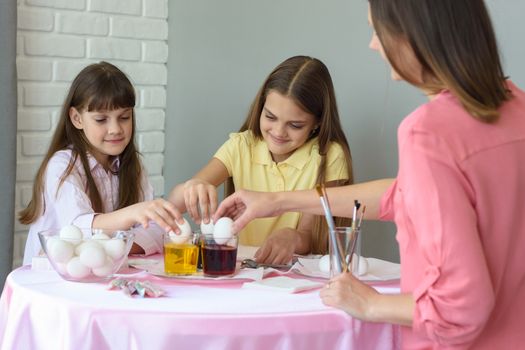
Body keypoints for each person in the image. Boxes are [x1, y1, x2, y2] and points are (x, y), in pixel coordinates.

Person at [213, 1, 525, 348]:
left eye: (378, 31)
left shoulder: (428, 134)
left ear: (414, 36)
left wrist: (370, 303)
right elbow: (404, 195)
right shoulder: (518, 109)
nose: (373, 44)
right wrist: (276, 201)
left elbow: (459, 306)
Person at [169, 55, 353, 265]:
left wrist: (292, 237)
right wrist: (193, 187)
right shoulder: (242, 145)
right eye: (270, 117)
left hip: (295, 275)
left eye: (295, 125)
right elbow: (176, 201)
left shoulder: (328, 157)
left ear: (316, 123)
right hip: (243, 270)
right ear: (261, 106)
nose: (278, 132)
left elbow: (308, 234)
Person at [20, 61, 183, 266]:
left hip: (102, 275)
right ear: (77, 118)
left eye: (124, 117)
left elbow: (155, 231)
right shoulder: (63, 166)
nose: (115, 129)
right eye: (101, 119)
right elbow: (77, 230)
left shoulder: (133, 166)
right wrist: (131, 216)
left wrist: (115, 245)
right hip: (53, 282)